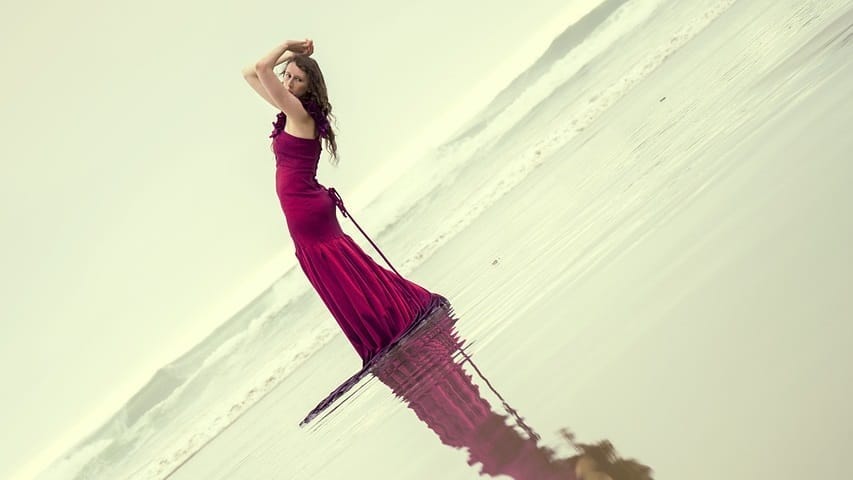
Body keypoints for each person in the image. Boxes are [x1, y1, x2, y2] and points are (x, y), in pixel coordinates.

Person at [241, 38, 443, 366]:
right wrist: (295, 57)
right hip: (306, 210)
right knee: (346, 275)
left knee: (344, 276)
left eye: (297, 79)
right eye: (287, 77)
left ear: (310, 89)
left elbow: (263, 69)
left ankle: (390, 320)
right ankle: (386, 319)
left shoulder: (299, 113)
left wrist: (287, 45)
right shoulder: (290, 112)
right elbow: (249, 74)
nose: (289, 83)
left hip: (308, 211)